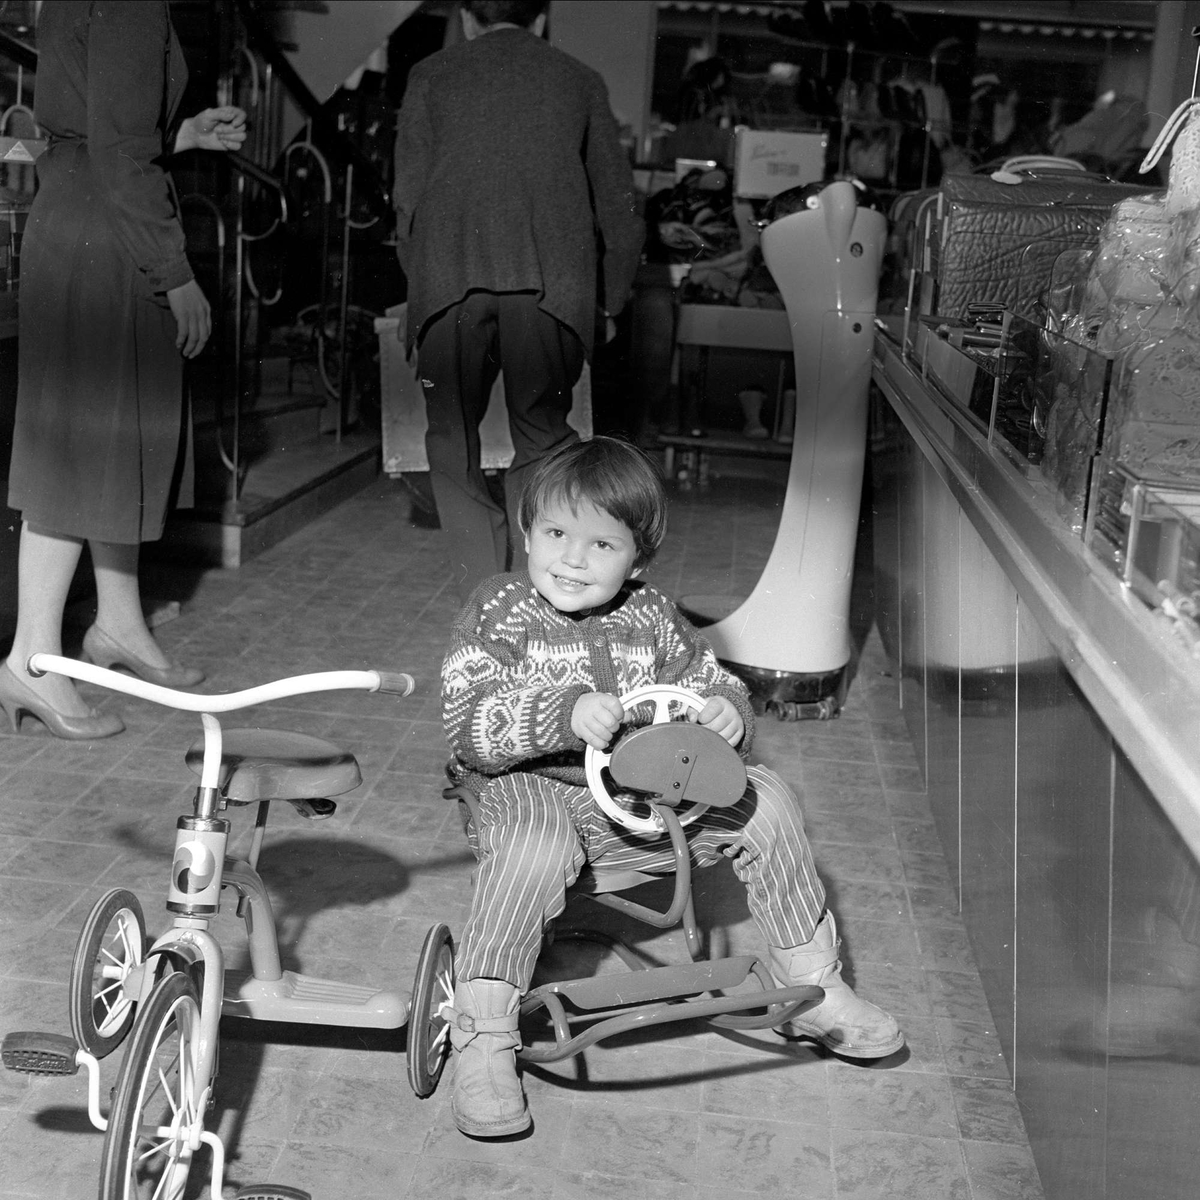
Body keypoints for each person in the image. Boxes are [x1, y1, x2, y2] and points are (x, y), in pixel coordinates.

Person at [439, 436, 903, 1138]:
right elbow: (468, 720)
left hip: (642, 802)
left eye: (602, 544)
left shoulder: (652, 614)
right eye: (557, 533)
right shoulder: (500, 608)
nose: (571, 558)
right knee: (533, 848)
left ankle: (816, 985)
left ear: (637, 558)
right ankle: (485, 1032)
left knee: (766, 799)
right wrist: (558, 712)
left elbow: (705, 678)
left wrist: (725, 710)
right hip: (529, 785)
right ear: (527, 532)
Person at [0, 1, 246, 739]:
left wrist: (185, 131)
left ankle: (117, 624)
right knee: (83, 451)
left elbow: (100, 123)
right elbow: (118, 151)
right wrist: (175, 274)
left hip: (81, 217)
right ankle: (30, 663)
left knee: (110, 442)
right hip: (106, 238)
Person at [391, 0, 644, 604]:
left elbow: (407, 198)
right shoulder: (579, 78)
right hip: (550, 287)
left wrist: (420, 282)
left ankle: (486, 594)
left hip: (449, 281)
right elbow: (618, 205)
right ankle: (538, 594)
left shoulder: (431, 74)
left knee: (450, 435)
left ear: (469, 17)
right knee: (544, 438)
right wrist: (608, 300)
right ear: (542, 19)